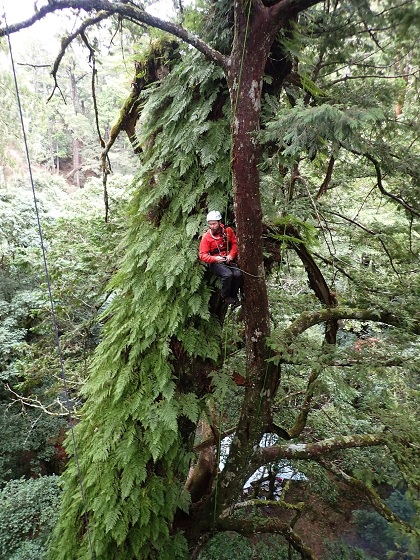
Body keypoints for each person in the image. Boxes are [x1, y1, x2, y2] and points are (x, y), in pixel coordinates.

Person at [199, 211, 243, 306]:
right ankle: (225, 295)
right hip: (215, 262)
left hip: (227, 259)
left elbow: (235, 244)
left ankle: (234, 295)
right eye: (210, 224)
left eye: (214, 224)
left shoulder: (228, 231)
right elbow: (202, 255)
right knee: (228, 275)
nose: (212, 226)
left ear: (219, 222)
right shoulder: (206, 237)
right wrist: (215, 259)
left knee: (238, 275)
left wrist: (231, 255)